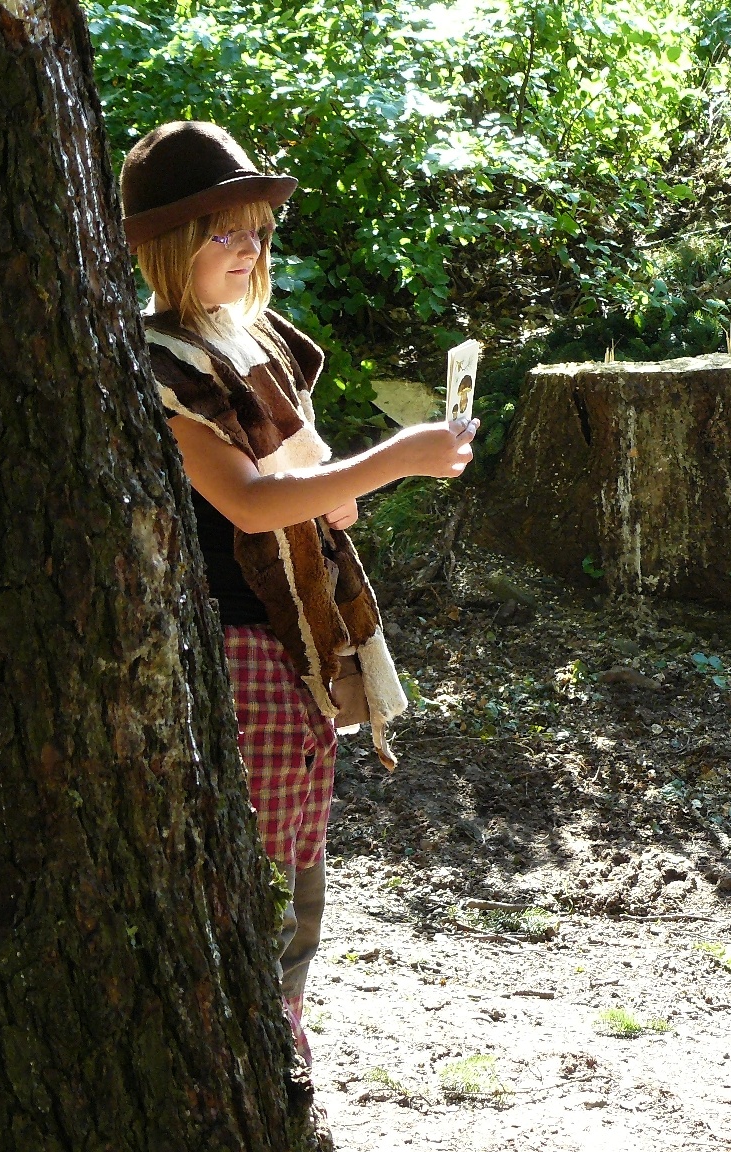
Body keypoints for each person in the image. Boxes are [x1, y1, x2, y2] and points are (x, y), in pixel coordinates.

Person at [120, 120, 477, 1065]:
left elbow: (309, 480)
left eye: (256, 230)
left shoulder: (253, 339)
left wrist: (351, 486)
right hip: (237, 641)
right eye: (224, 232)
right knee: (266, 853)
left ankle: (284, 1025)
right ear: (169, 244)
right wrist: (396, 459)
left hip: (299, 636)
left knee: (299, 842)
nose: (248, 248)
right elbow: (245, 500)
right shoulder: (161, 360)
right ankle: (258, 1038)